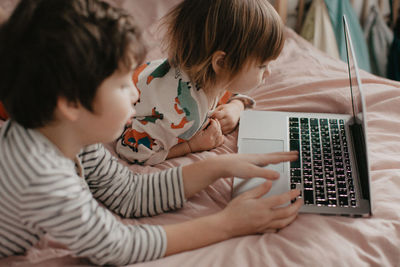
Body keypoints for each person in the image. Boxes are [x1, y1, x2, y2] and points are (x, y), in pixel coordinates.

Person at [0, 0, 302, 265]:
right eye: (121, 85)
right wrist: (228, 223)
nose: (135, 94)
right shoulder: (40, 175)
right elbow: (118, 246)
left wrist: (219, 166)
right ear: (70, 103)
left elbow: (128, 193)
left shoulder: (67, 135)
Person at [115, 0, 285, 165]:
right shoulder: (181, 116)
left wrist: (236, 107)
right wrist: (191, 146)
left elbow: (232, 88)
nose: (268, 73)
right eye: (262, 66)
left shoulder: (209, 76)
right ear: (221, 63)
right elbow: (131, 151)